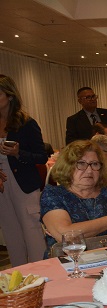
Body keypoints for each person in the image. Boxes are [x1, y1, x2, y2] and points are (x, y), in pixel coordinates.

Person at [40, 140, 107, 252]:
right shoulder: (53, 195)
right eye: (81, 163)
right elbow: (65, 235)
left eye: (95, 164)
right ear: (68, 166)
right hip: (67, 260)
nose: (89, 171)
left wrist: (96, 254)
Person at [0, 74, 48, 266]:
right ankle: (19, 277)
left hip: (24, 183)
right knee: (11, 233)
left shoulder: (26, 123)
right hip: (2, 184)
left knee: (32, 232)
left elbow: (42, 157)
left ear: (10, 95)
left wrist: (18, 153)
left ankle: (43, 273)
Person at [65, 86, 107, 151]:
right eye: (88, 97)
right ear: (80, 101)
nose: (92, 99)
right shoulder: (73, 120)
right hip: (89, 153)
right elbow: (71, 142)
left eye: (93, 96)